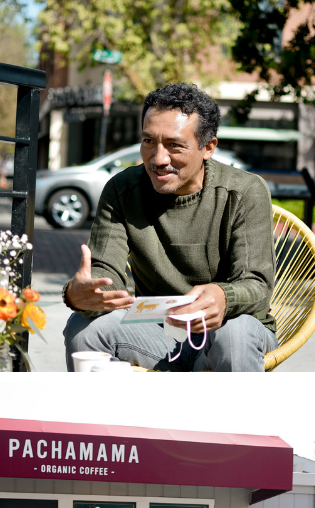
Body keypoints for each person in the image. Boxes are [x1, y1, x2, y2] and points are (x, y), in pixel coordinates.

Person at [62, 82, 278, 371]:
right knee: (83, 326)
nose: (158, 158)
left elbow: (257, 285)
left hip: (228, 328)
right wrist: (80, 294)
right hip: (158, 332)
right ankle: (110, 417)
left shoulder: (245, 191)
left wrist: (225, 296)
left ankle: (236, 418)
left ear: (208, 148)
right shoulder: (123, 189)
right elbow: (105, 276)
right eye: (149, 141)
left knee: (234, 334)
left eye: (174, 145)